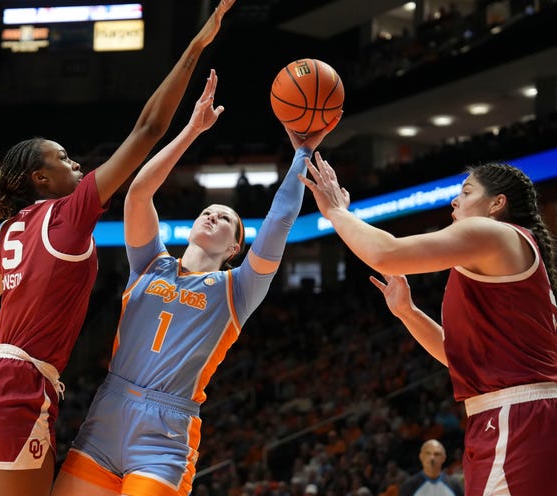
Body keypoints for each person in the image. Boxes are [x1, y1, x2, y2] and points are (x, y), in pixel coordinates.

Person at [0, 3, 236, 496]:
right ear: (40, 178)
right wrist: (195, 48)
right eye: (63, 159)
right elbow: (148, 129)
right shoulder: (67, 214)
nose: (76, 164)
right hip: (17, 387)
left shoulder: (13, 227)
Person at [51, 79, 341, 495]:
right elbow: (138, 194)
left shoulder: (238, 289)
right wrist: (191, 131)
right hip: (107, 414)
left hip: (164, 435)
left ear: (235, 245)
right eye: (207, 211)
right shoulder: (150, 263)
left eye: (224, 218)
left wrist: (303, 152)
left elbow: (278, 220)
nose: (211, 216)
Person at [300, 156, 557, 495]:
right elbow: (461, 359)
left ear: (497, 204)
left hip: (518, 417)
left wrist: (336, 213)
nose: (455, 200)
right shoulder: (500, 255)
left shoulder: (492, 232)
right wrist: (408, 312)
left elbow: (385, 253)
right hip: (510, 415)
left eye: (466, 192)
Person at [399, 439, 463, 496]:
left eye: (437, 454)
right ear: (421, 456)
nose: (432, 458)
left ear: (444, 458)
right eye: (428, 453)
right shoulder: (409, 486)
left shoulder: (454, 486)